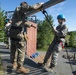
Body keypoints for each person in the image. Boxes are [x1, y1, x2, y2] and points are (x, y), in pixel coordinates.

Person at [9, 1, 42, 74]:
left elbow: (23, 22)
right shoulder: (19, 8)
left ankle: (13, 64)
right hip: (17, 33)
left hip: (13, 32)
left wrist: (32, 25)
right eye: (25, 5)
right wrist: (40, 4)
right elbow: (31, 7)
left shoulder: (19, 14)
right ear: (23, 5)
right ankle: (19, 67)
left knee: (13, 48)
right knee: (21, 49)